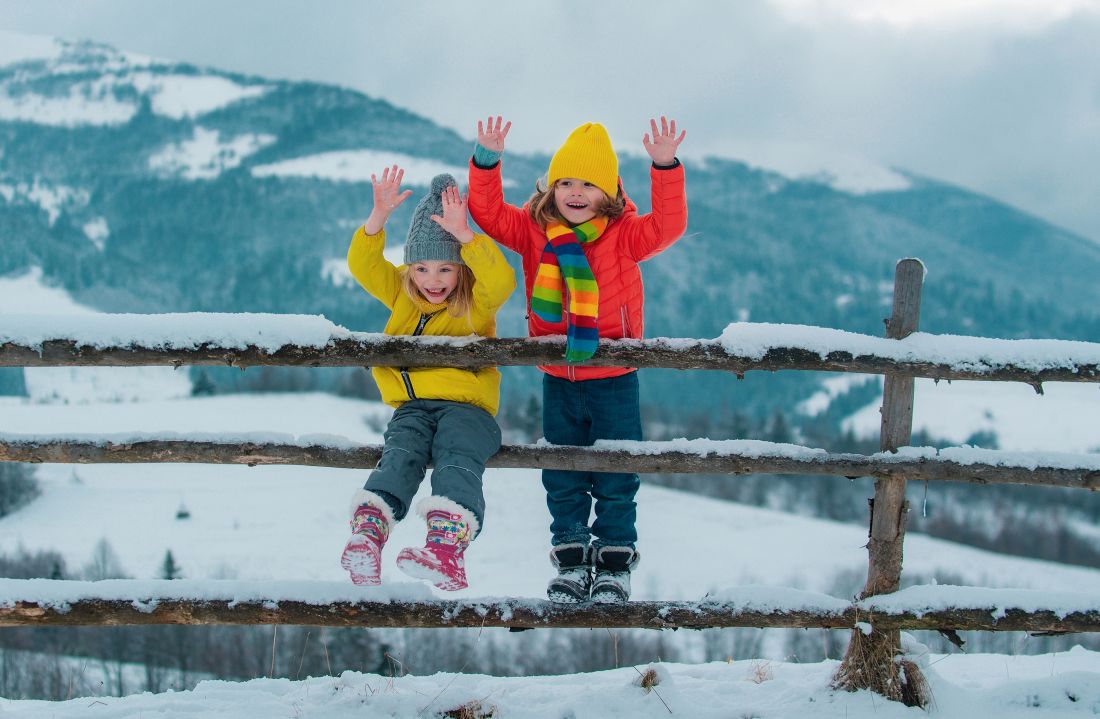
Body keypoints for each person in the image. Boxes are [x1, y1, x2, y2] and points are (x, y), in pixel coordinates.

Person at [467, 116, 688, 603]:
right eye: (565, 181)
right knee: (561, 469)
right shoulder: (532, 229)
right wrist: (487, 159)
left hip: (614, 375)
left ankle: (613, 563)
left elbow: (669, 225)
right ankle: (570, 558)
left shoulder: (624, 234)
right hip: (557, 375)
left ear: (607, 191)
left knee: (616, 470)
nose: (574, 191)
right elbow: (486, 213)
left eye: (587, 183)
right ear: (551, 186)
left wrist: (665, 166)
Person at [340, 167, 516, 591]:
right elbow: (362, 265)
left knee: (456, 458)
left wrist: (468, 238)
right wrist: (377, 218)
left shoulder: (477, 299)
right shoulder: (401, 290)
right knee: (399, 455)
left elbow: (502, 279)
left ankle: (446, 549)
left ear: (460, 269)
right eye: (420, 269)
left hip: (467, 407)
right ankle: (369, 533)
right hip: (412, 408)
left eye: (444, 270)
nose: (431, 281)